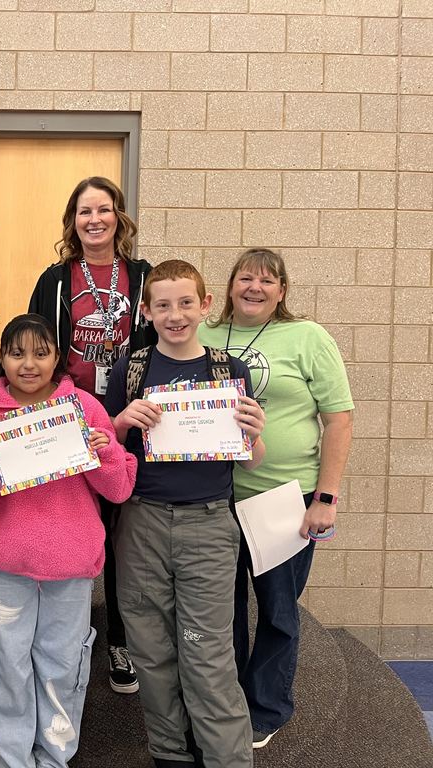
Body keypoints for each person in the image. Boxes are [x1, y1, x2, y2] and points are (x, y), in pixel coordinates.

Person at [0, 313, 136, 767]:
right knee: (6, 663)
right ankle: (14, 758)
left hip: (70, 564)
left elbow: (119, 490)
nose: (28, 364)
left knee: (63, 664)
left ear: (57, 358)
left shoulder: (84, 409)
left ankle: (54, 756)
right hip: (8, 567)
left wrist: (106, 455)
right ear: (2, 358)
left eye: (40, 353)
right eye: (17, 353)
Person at [104, 260, 267, 768]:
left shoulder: (228, 372)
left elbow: (251, 459)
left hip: (209, 524)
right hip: (141, 522)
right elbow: (104, 451)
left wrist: (255, 434)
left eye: (185, 303)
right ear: (146, 312)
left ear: (205, 305)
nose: (174, 315)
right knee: (150, 651)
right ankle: (170, 753)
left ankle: (226, 758)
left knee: (207, 655)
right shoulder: (131, 369)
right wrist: (120, 423)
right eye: (163, 305)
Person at [199, 248, 353, 749]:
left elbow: (339, 420)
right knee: (221, 610)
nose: (255, 287)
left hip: (285, 498)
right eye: (246, 278)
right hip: (216, 497)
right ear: (230, 286)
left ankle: (266, 708)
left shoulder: (308, 337)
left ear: (282, 291)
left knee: (278, 611)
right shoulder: (205, 334)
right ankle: (226, 704)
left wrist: (325, 498)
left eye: (267, 281)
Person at [28, 176, 154, 694]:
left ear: (119, 217)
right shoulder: (55, 280)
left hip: (130, 422)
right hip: (69, 422)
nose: (94, 219)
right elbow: (34, 349)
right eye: (85, 211)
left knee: (125, 538)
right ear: (73, 220)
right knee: (70, 527)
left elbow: (166, 339)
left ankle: (121, 642)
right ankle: (59, 638)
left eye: (104, 209)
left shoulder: (143, 277)